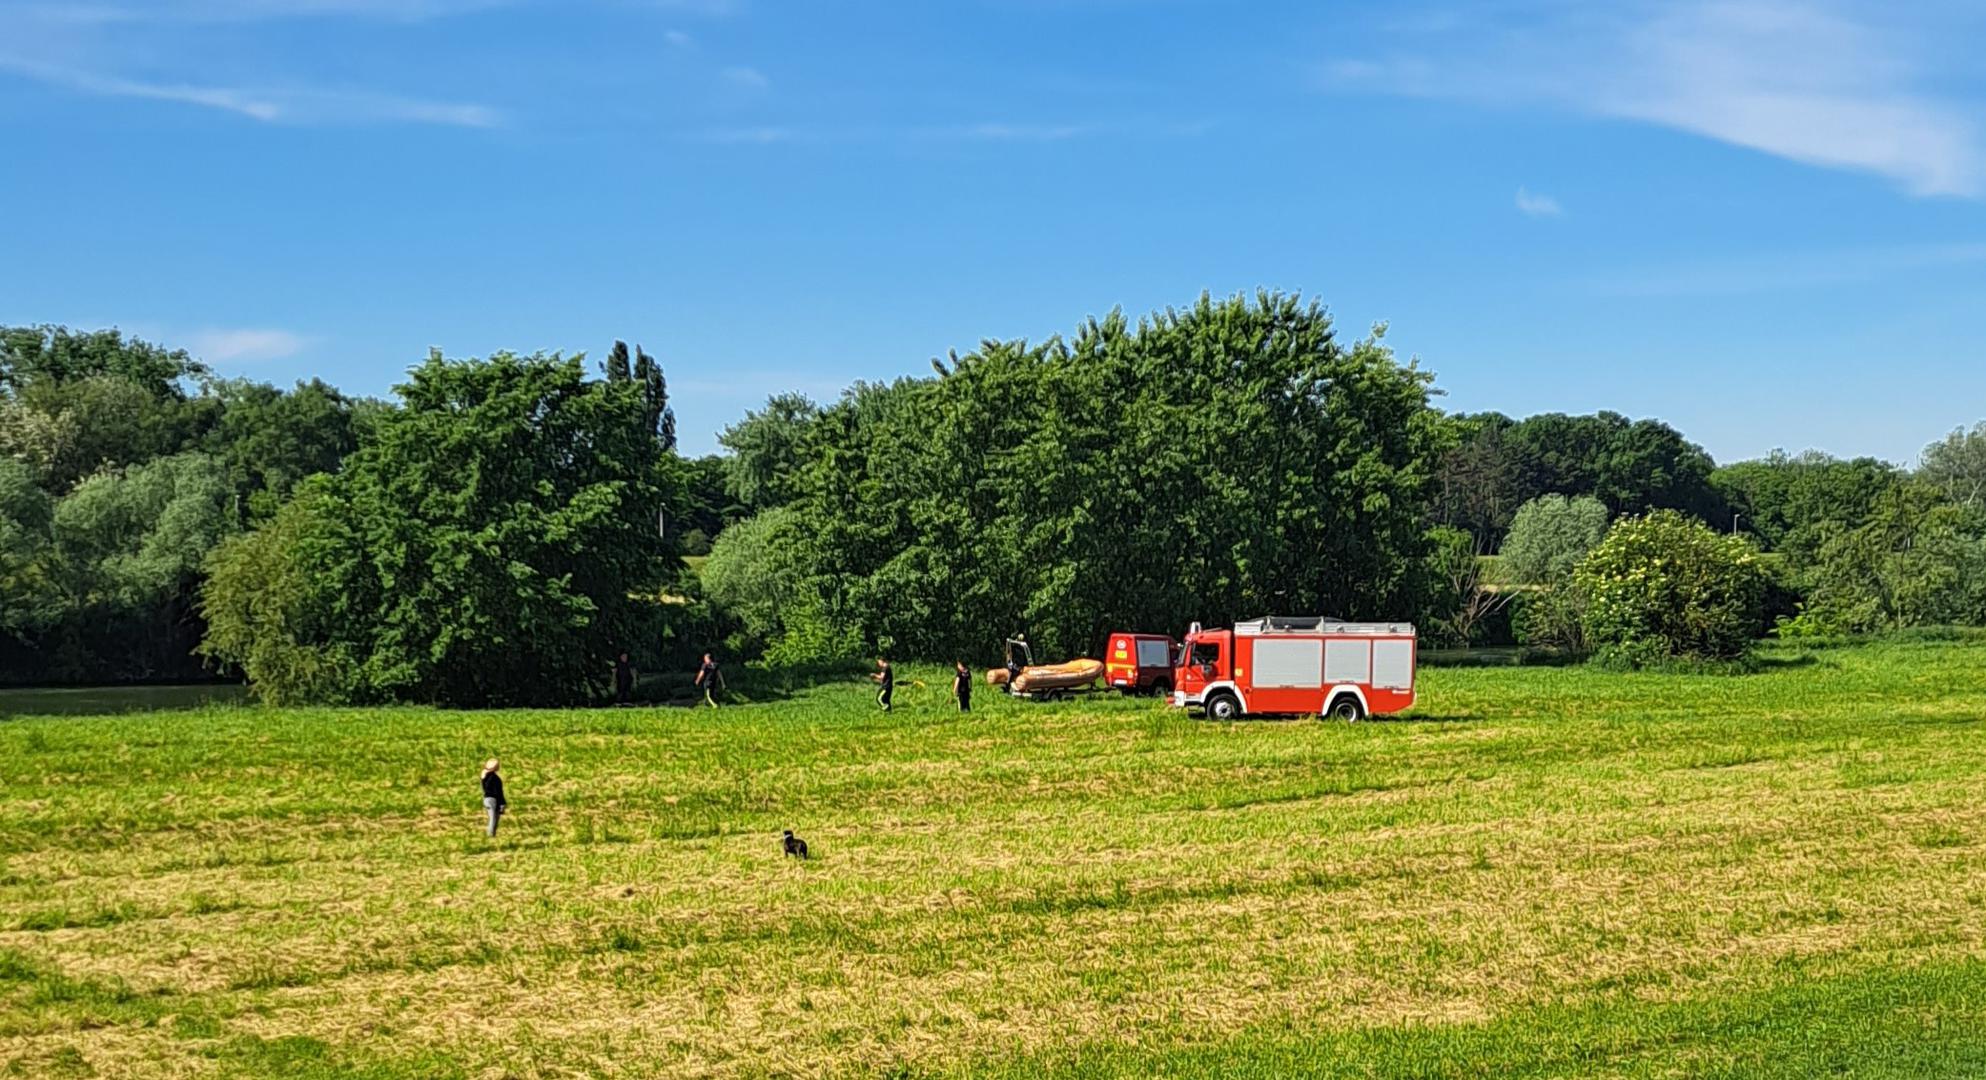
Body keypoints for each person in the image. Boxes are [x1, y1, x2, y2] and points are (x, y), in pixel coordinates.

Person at [481, 758, 507, 837]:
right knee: (493, 818)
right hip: (493, 800)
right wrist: (502, 803)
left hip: (486, 799)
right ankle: (491, 834)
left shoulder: (484, 776)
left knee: (492, 817)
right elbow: (498, 792)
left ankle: (491, 833)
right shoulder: (495, 778)